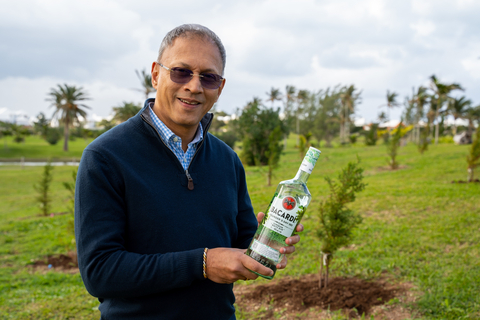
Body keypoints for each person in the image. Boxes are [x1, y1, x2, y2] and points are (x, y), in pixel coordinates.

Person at [75, 24, 303, 320]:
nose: (194, 86)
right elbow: (100, 272)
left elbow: (242, 239)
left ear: (219, 88)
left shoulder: (226, 159)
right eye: (181, 72)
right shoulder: (105, 157)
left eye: (208, 77)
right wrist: (203, 263)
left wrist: (267, 243)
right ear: (156, 74)